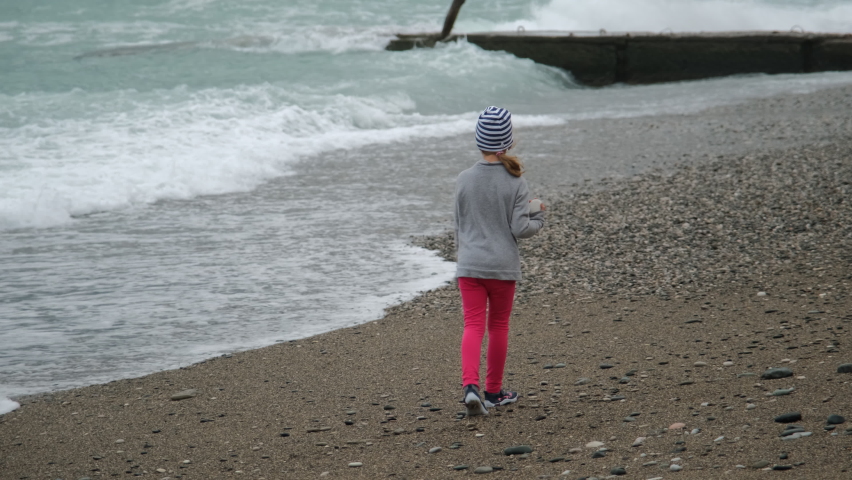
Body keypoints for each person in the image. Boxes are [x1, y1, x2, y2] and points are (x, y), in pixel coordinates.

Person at [454, 106, 546, 416]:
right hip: (502, 267)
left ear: (478, 141)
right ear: (506, 143)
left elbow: (460, 223)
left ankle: (470, 387)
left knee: (473, 325)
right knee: (498, 326)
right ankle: (493, 392)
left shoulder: (463, 179)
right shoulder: (515, 181)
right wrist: (539, 216)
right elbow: (520, 229)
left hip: (469, 264)